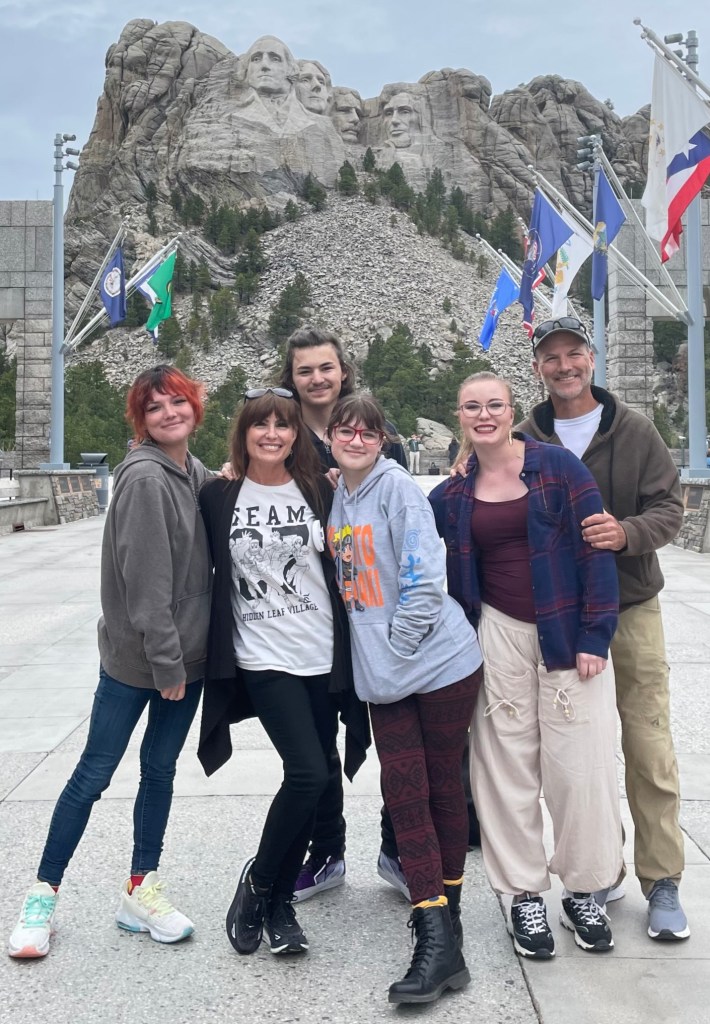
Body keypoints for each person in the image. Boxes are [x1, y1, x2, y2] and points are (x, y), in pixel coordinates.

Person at [8, 365, 212, 958]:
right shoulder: (147, 479)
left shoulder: (192, 473)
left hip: (187, 660)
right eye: (155, 408)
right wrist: (168, 665)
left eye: (178, 402)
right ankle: (42, 897)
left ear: (194, 407)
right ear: (141, 421)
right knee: (94, 774)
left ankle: (140, 888)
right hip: (141, 663)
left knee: (160, 770)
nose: (170, 413)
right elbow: (145, 587)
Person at [431, 370, 623, 959]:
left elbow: (596, 549)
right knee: (504, 770)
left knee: (582, 770)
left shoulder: (560, 468)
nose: (483, 415)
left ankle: (585, 890)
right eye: (472, 407)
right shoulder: (452, 495)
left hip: (569, 634)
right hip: (497, 635)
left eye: (495, 405)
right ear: (459, 416)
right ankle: (523, 896)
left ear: (513, 410)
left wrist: (597, 632)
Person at [518, 316, 688, 942]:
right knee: (580, 754)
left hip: (633, 608)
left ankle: (662, 878)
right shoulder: (524, 436)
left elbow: (671, 508)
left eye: (574, 354)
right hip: (560, 614)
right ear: (537, 367)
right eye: (551, 357)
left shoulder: (635, 431)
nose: (564, 366)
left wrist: (627, 533)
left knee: (648, 746)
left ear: (592, 359)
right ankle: (601, 866)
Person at [197, 386, 368, 957]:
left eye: (284, 425)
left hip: (322, 655)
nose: (272, 434)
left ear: (298, 435)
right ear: (243, 433)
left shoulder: (320, 489)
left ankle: (278, 908)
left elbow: (371, 498)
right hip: (264, 658)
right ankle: (261, 884)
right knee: (308, 775)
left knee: (317, 773)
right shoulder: (219, 495)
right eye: (260, 425)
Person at [327, 394, 482, 1004]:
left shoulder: (396, 490)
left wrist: (391, 650)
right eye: (346, 431)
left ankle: (443, 926)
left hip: (440, 664)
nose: (357, 440)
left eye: (368, 432)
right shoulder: (342, 493)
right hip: (388, 676)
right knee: (406, 791)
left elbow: (424, 581)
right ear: (334, 439)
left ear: (383, 438)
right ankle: (438, 923)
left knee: (441, 785)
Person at [275, 326, 407, 900]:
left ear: (343, 371)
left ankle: (397, 847)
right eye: (305, 370)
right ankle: (325, 850)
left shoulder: (378, 437)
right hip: (312, 616)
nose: (316, 379)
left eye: (325, 368)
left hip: (375, 610)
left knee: (394, 733)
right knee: (319, 740)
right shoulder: (278, 436)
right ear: (293, 377)